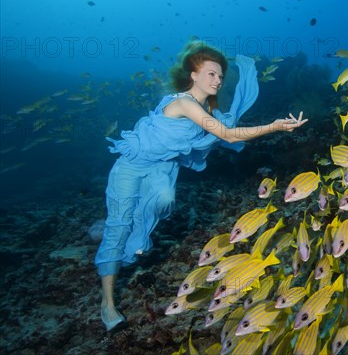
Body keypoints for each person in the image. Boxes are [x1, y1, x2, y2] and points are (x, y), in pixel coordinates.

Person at [94, 41, 307, 331]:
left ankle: (119, 224)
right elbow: (229, 136)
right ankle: (107, 305)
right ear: (193, 75)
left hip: (162, 169)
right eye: (211, 74)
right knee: (118, 228)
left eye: (221, 76)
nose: (218, 80)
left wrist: (267, 127)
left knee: (164, 200)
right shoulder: (183, 103)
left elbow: (224, 131)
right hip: (131, 166)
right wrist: (274, 126)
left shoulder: (207, 109)